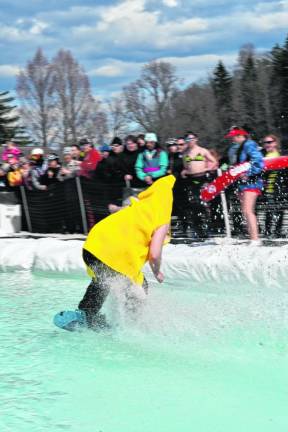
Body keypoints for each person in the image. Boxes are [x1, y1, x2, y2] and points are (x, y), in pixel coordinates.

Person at [54, 175, 175, 331]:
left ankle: (85, 316)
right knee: (138, 286)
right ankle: (132, 325)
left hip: (92, 247)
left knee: (102, 279)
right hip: (114, 258)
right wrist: (157, 271)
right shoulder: (161, 217)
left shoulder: (136, 208)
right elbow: (155, 253)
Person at [225, 127, 264, 245]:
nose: (232, 139)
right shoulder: (240, 148)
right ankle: (252, 237)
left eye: (234, 137)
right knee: (245, 211)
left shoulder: (249, 144)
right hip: (243, 183)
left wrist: (249, 174)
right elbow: (241, 164)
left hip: (252, 182)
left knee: (248, 210)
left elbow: (259, 162)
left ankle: (255, 239)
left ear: (240, 136)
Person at [180, 132, 218, 238]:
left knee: (205, 202)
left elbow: (214, 161)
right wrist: (184, 171)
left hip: (202, 178)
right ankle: (200, 228)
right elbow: (186, 166)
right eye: (187, 139)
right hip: (191, 179)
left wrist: (208, 169)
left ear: (196, 139)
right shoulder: (185, 153)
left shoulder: (202, 150)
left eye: (191, 139)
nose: (190, 141)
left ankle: (211, 226)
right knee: (195, 204)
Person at [262, 134, 284, 238]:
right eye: (265, 143)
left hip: (275, 186)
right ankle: (271, 231)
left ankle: (273, 231)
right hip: (269, 187)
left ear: (275, 143)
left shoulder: (275, 155)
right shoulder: (266, 155)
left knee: (275, 210)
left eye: (269, 142)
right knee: (271, 210)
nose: (267, 145)